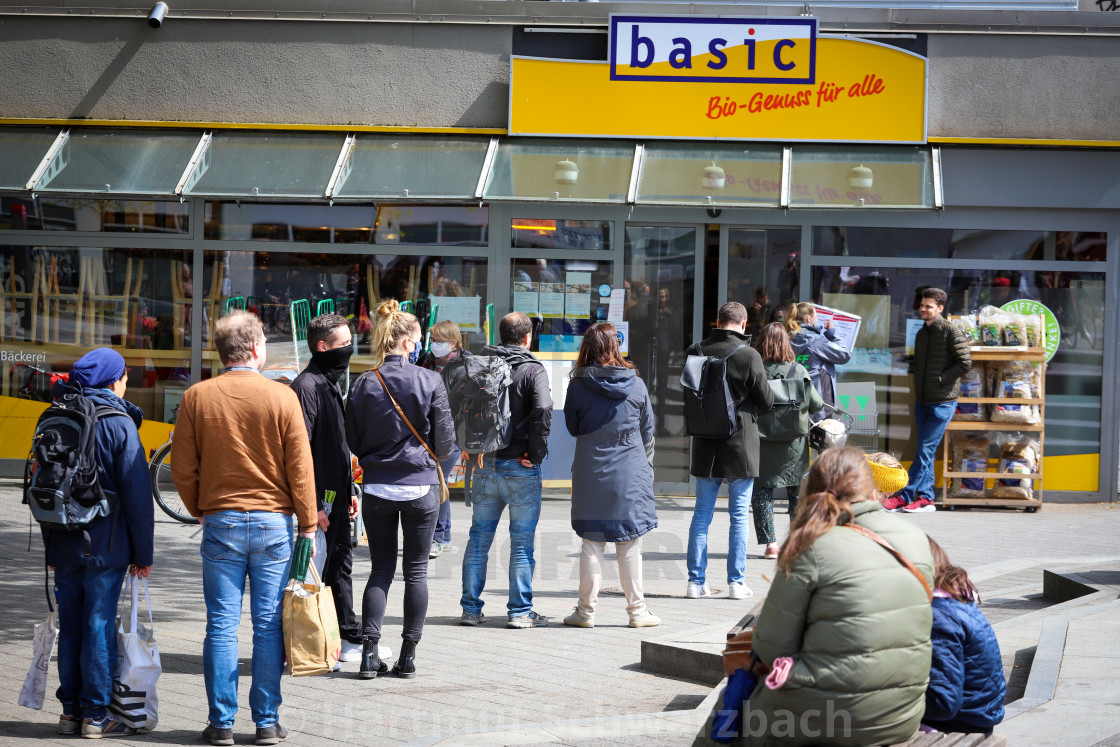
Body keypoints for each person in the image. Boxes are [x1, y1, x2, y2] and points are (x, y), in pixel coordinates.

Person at [694, 447, 934, 746]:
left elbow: (771, 648)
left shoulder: (810, 544)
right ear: (872, 489)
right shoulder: (915, 538)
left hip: (833, 718)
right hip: (901, 715)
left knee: (729, 711)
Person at [172, 311, 317, 747]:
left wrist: (199, 507)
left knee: (220, 625)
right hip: (274, 523)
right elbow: (300, 467)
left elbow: (181, 468)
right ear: (257, 349)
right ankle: (267, 722)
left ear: (221, 351)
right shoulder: (282, 397)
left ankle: (220, 723)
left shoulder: (197, 397)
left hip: (220, 520)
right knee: (269, 625)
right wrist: (308, 522)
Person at [46, 349, 153, 738]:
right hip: (106, 545)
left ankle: (69, 712)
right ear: (113, 380)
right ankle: (95, 715)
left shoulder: (58, 416)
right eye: (124, 377)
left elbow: (45, 487)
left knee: (72, 625)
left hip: (63, 541)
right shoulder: (118, 422)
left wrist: (52, 549)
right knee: (97, 624)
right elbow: (138, 494)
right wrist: (143, 553)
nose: (126, 384)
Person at [346, 300, 454, 679]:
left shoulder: (362, 382)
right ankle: (408, 655)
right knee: (416, 573)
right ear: (408, 342)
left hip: (377, 486)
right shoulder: (430, 381)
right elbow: (444, 446)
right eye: (420, 339)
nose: (422, 345)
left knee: (380, 571)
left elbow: (354, 441)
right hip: (421, 486)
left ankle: (368, 654)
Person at [561, 322, 660, 629]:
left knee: (591, 543)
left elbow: (573, 427)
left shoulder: (577, 385)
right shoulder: (637, 384)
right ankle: (637, 612)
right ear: (615, 346)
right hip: (630, 469)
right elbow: (648, 431)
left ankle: (586, 612)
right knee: (629, 543)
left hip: (591, 468)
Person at [459, 311, 553, 628]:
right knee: (522, 543)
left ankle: (470, 610)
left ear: (501, 335)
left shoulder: (483, 365)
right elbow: (542, 407)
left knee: (478, 540)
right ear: (527, 337)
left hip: (485, 465)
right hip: (520, 466)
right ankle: (519, 612)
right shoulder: (532, 369)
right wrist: (536, 453)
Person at [685, 301, 774, 600]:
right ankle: (736, 583)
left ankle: (695, 583)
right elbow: (766, 401)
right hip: (741, 443)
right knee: (738, 515)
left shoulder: (695, 350)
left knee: (701, 515)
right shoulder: (749, 355)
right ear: (744, 323)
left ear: (718, 320)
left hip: (705, 442)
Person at [289, 313, 363, 665]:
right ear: (322, 347)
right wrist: (311, 505)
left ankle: (344, 635)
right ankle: (326, 640)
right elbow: (299, 450)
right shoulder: (307, 387)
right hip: (319, 503)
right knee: (319, 572)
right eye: (343, 343)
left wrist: (348, 489)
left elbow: (337, 445)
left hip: (334, 496)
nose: (350, 348)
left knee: (339, 567)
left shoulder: (329, 382)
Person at [885, 287, 971, 513]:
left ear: (940, 308)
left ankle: (904, 495)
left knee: (924, 450)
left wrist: (942, 378)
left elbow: (965, 362)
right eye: (922, 305)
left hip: (942, 401)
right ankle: (926, 498)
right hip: (923, 400)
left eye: (928, 306)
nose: (922, 309)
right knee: (926, 452)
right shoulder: (922, 333)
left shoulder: (950, 331)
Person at [751, 323, 823, 559]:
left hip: (762, 441)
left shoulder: (756, 369)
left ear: (762, 342)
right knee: (797, 494)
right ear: (786, 343)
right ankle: (796, 541)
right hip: (794, 444)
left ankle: (771, 544)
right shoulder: (798, 371)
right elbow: (816, 405)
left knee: (762, 492)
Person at [923, 537, 1006, 736]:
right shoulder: (955, 600)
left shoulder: (939, 615)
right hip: (976, 714)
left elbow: (944, 703)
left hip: (960, 724)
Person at [417, 319, 470, 559]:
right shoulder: (426, 361)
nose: (435, 345)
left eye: (440, 341)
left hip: (451, 435)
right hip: (426, 432)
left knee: (437, 483)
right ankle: (444, 535)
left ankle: (438, 537)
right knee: (438, 483)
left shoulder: (463, 366)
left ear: (454, 342)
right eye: (434, 340)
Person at [786, 302, 851, 415]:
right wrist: (831, 334)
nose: (817, 320)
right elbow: (844, 354)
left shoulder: (784, 340)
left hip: (791, 404)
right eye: (816, 317)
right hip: (819, 408)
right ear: (808, 319)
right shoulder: (817, 341)